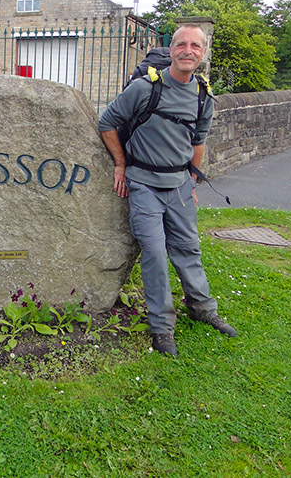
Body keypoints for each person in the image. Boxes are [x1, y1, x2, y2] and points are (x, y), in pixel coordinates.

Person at [98, 24, 237, 356]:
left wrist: (192, 181)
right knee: (156, 255)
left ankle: (203, 308)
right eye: (181, 45)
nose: (188, 51)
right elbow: (107, 122)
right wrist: (121, 164)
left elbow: (198, 141)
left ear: (202, 54)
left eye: (195, 46)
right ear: (171, 49)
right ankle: (162, 327)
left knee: (188, 248)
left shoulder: (203, 94)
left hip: (179, 185)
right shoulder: (146, 88)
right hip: (143, 184)